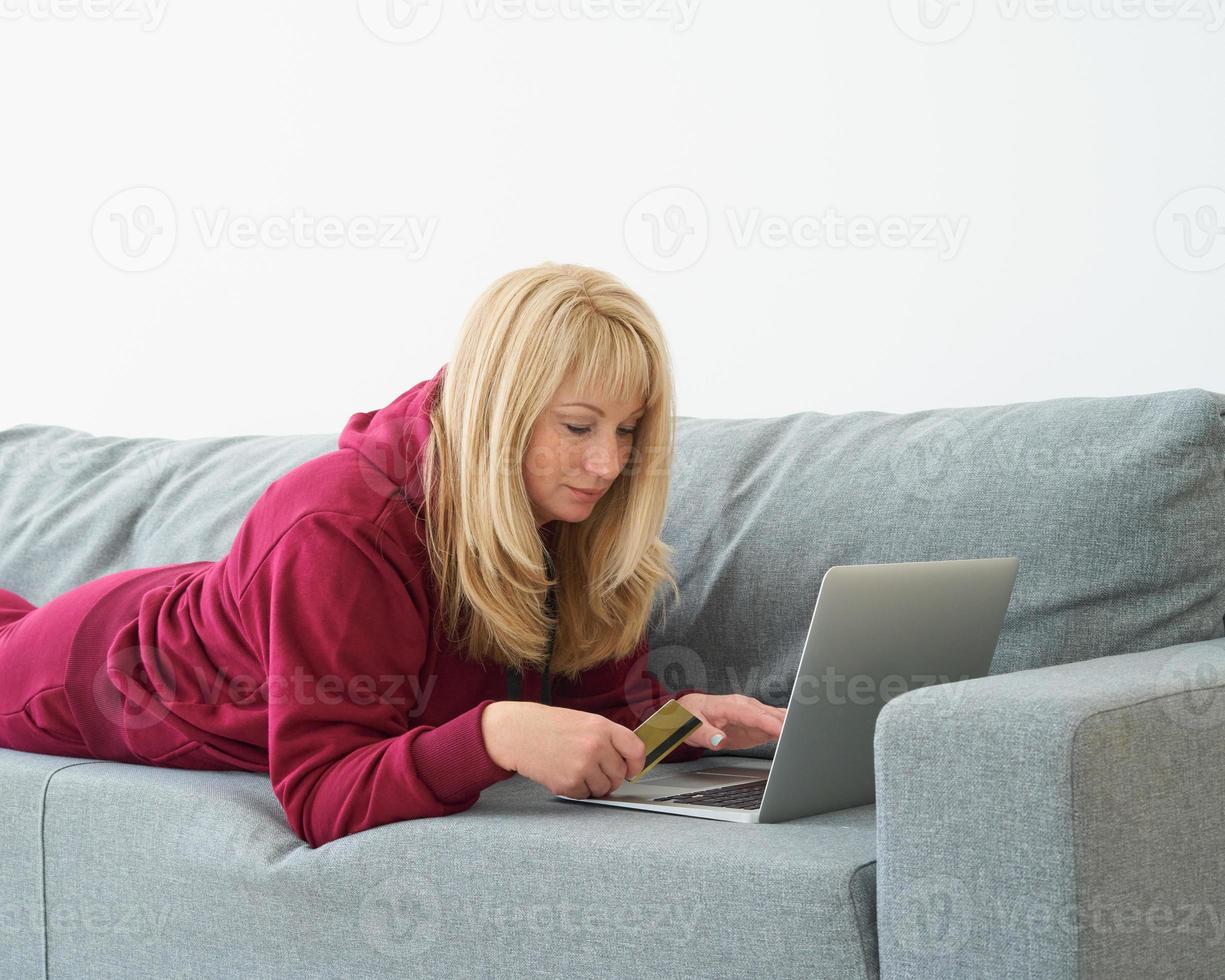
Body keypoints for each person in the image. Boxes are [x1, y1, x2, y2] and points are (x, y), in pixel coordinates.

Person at [0, 262, 784, 847]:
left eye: (628, 431)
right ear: (497, 412)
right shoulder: (339, 524)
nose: (609, 465)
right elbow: (322, 796)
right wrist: (490, 736)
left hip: (244, 606)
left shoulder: (568, 508)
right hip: (103, 666)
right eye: (579, 427)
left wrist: (675, 726)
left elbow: (594, 715)